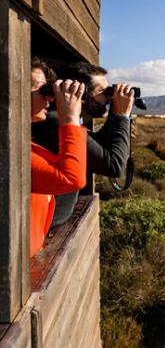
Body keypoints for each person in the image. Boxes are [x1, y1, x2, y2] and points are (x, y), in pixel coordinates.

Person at [32, 62, 135, 227]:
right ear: (82, 94)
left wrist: (117, 114)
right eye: (103, 92)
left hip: (51, 223)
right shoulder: (55, 122)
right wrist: (121, 117)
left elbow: (96, 147)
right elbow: (113, 165)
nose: (109, 98)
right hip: (45, 227)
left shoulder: (62, 119)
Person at [30, 58, 86, 257]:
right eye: (41, 90)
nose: (50, 99)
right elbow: (72, 178)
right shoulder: (11, 151)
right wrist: (70, 119)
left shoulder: (25, 145)